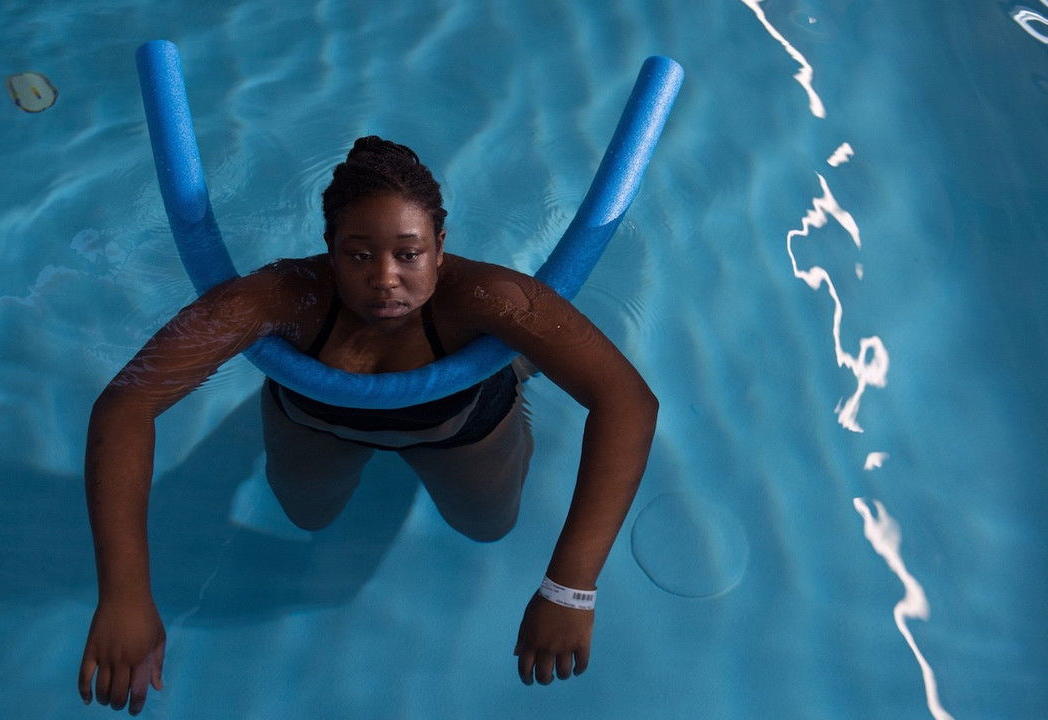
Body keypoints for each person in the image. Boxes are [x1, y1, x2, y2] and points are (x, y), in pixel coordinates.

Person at [78, 136, 658, 715]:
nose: (385, 278)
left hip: (457, 427)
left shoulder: (487, 297)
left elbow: (627, 402)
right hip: (316, 422)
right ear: (328, 249)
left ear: (440, 247)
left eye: (409, 253)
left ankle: (517, 359)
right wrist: (124, 595)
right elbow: (126, 406)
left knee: (487, 527)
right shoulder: (281, 297)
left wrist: (570, 588)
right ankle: (505, 361)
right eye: (359, 255)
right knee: (308, 517)